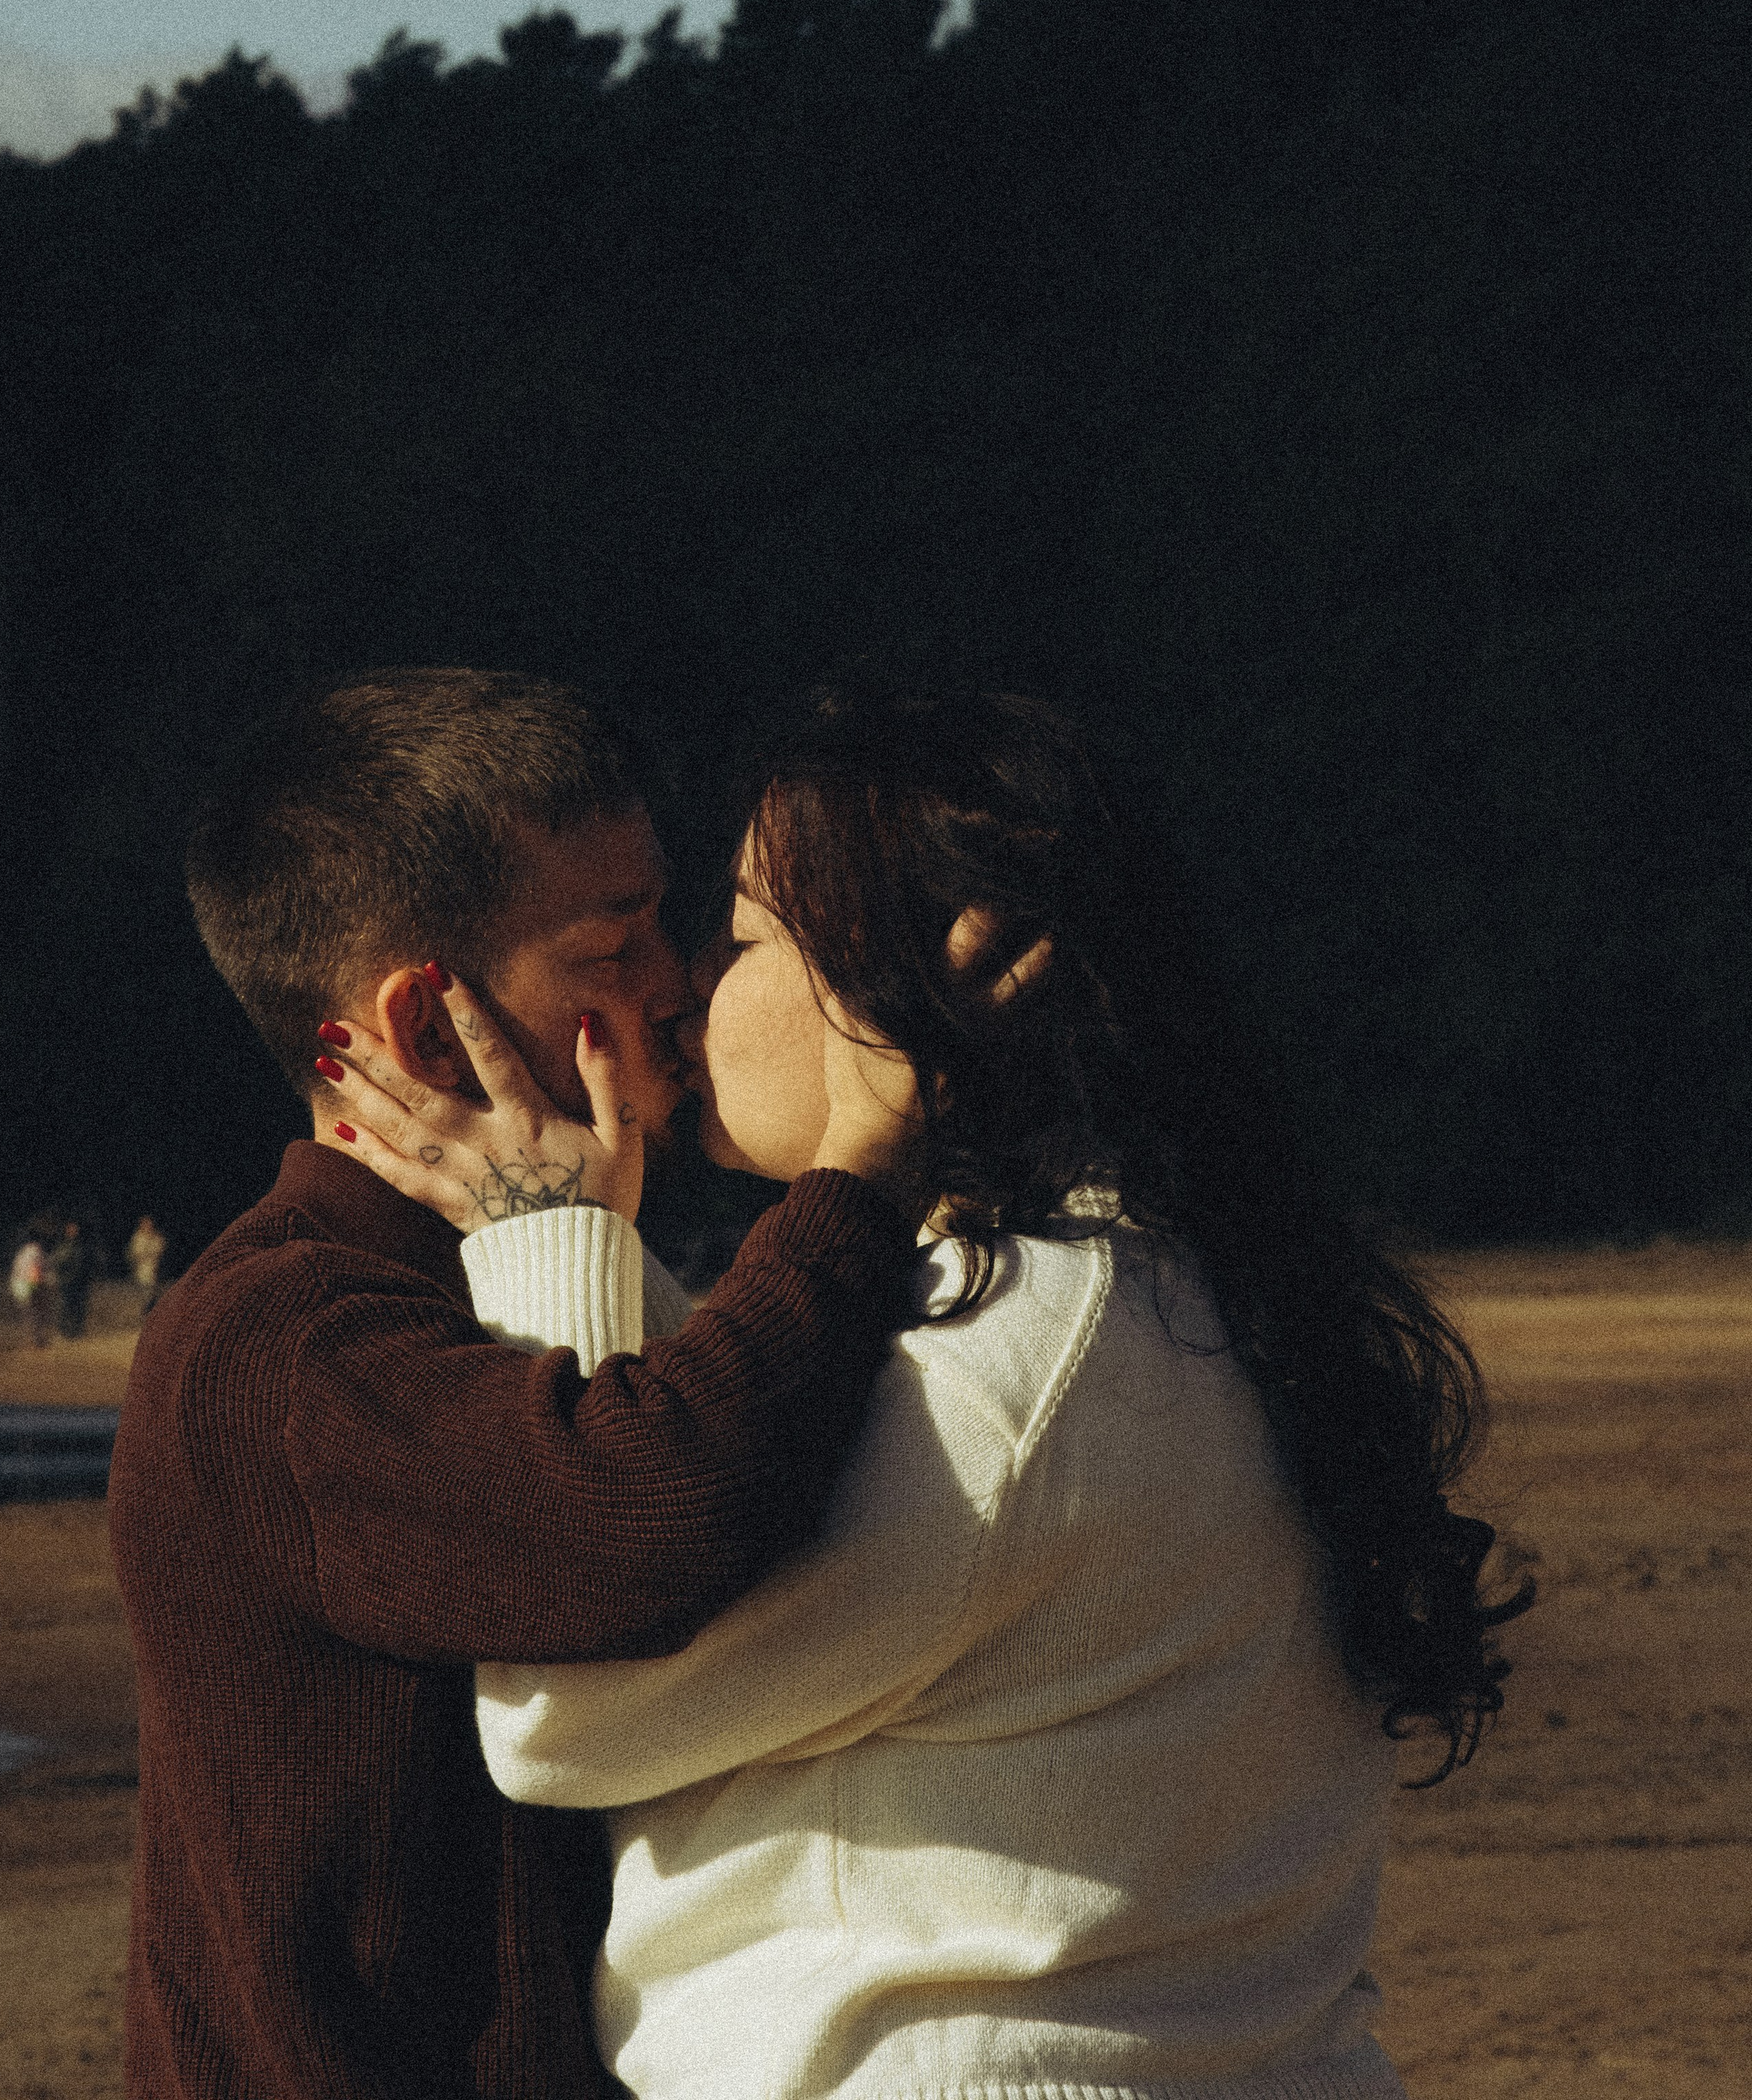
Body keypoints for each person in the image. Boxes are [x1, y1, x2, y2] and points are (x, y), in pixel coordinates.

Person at [333, 686, 1530, 2100]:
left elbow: (569, 1705)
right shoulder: (1153, 1295)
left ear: (898, 988)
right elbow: (751, 1477)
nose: (691, 989)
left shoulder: (1009, 1366)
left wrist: (549, 1241)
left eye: (745, 937)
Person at [109, 666, 918, 2100]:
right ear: (425, 1032)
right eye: (618, 940)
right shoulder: (282, 1340)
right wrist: (858, 1175)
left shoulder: (471, 1283)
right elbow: (648, 1513)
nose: (679, 982)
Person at [125, 1213, 166, 1312]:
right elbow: (135, 1253)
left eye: (148, 1224)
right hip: (141, 1269)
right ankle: (145, 1310)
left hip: (154, 1269)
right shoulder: (138, 1238)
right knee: (143, 1292)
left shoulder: (156, 1237)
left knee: (152, 1292)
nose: (147, 1226)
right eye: (144, 1224)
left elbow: (160, 1250)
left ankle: (151, 1310)